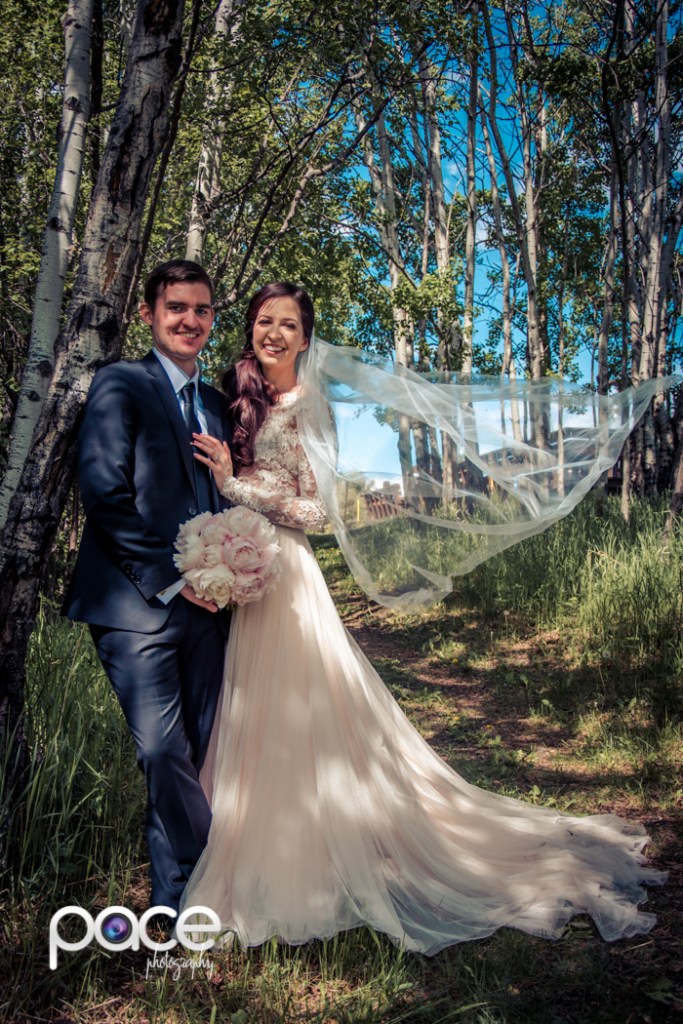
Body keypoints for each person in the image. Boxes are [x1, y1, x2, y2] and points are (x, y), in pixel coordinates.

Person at [182, 281, 665, 954]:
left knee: (301, 712)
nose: (274, 334)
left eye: (288, 324)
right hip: (242, 572)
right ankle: (255, 836)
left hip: (287, 573)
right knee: (251, 711)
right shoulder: (233, 395)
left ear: (306, 336)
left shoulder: (312, 406)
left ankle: (316, 851)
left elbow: (319, 512)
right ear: (250, 328)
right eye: (265, 320)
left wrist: (235, 485)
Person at [64, 259, 232, 916]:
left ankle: (174, 904)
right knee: (163, 754)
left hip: (212, 608)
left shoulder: (215, 404)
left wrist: (232, 569)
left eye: (201, 309)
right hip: (136, 606)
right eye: (176, 308)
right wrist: (170, 579)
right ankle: (215, 879)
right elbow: (104, 493)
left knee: (194, 755)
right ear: (149, 314)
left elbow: (223, 499)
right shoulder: (121, 383)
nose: (190, 320)